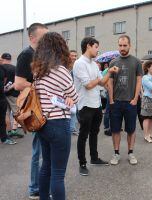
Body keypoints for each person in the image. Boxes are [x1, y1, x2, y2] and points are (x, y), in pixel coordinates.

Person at [32, 32, 79, 200]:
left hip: (42, 123)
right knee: (58, 174)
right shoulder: (61, 70)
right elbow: (74, 96)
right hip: (58, 123)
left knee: (46, 167)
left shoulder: (38, 71)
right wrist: (68, 98)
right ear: (60, 48)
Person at [73, 37, 119, 176]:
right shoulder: (79, 63)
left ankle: (94, 158)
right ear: (88, 46)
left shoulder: (94, 64)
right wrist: (99, 79)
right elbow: (88, 85)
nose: (98, 50)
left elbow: (101, 82)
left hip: (96, 104)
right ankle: (82, 163)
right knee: (83, 135)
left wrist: (110, 72)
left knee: (94, 133)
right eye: (96, 47)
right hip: (85, 104)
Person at [14, 23, 48, 200]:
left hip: (43, 108)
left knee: (44, 150)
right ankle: (35, 188)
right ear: (32, 37)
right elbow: (18, 83)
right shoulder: (26, 54)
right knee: (39, 151)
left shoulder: (42, 55)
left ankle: (39, 186)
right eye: (43, 37)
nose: (46, 41)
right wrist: (40, 86)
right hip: (34, 110)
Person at [108, 35, 143, 165]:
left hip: (130, 102)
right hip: (116, 102)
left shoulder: (136, 62)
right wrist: (111, 100)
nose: (122, 48)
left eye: (125, 45)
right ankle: (116, 153)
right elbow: (110, 83)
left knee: (131, 129)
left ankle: (131, 153)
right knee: (115, 130)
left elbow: (139, 81)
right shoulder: (113, 62)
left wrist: (135, 99)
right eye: (120, 45)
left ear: (129, 45)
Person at [0, 53, 23, 138]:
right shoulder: (15, 68)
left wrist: (4, 89)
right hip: (13, 94)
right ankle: (14, 130)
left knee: (6, 114)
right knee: (16, 112)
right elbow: (17, 82)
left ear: (2, 59)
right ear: (10, 59)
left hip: (2, 95)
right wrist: (9, 88)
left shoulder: (1, 68)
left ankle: (8, 131)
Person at [0, 62, 17, 145]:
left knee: (3, 118)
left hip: (2, 98)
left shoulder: (2, 68)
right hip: (5, 96)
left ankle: (4, 137)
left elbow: (5, 79)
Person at [69, 50, 79, 136]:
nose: (74, 57)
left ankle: (72, 128)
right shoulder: (65, 67)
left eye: (75, 56)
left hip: (76, 92)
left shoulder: (78, 66)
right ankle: (72, 129)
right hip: (68, 93)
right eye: (72, 55)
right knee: (73, 111)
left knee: (75, 111)